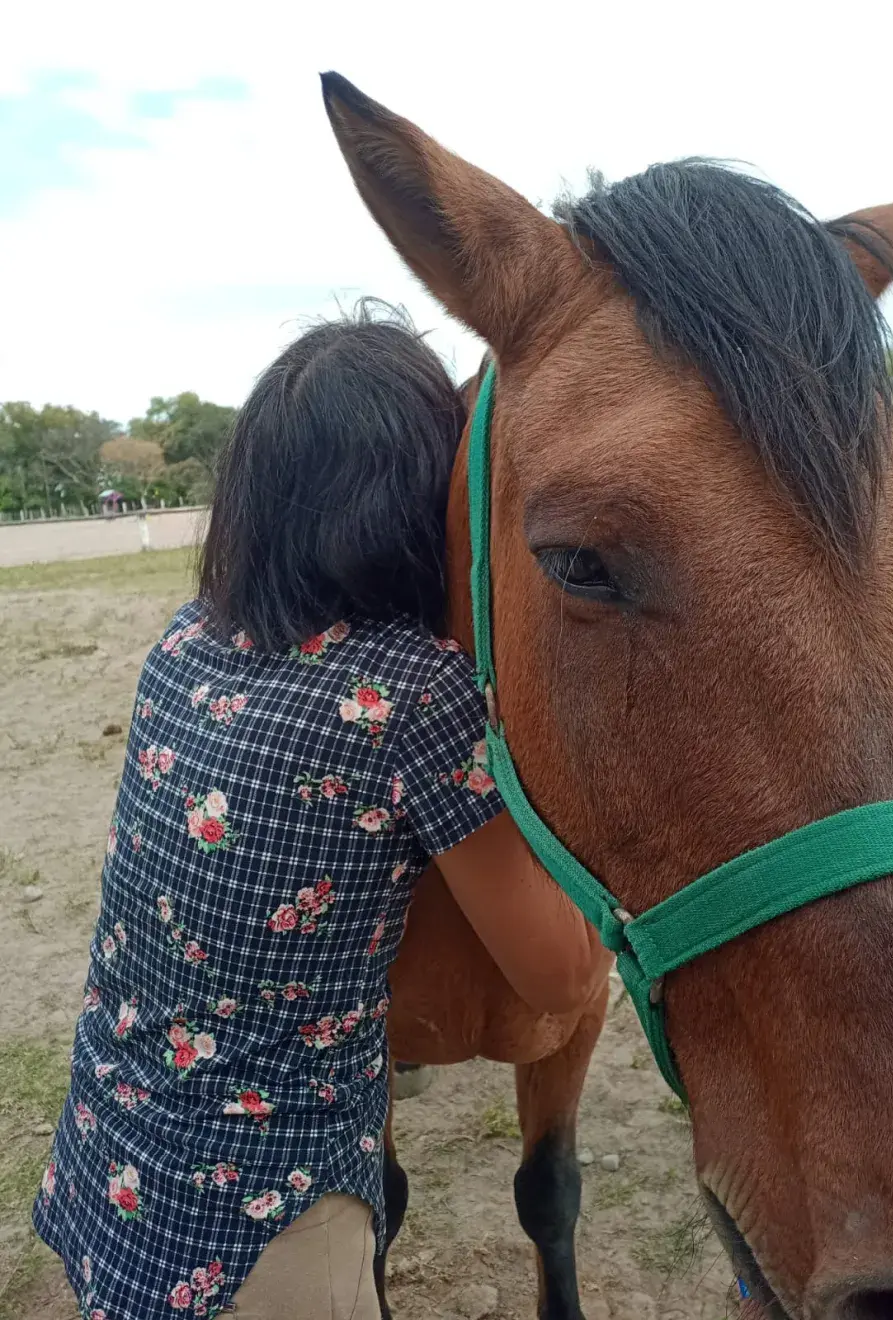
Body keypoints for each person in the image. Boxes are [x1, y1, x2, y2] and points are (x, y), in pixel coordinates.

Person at [33, 303, 609, 1320]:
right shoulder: (406, 693)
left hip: (108, 1172)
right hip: (267, 1220)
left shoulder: (182, 643)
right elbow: (561, 975)